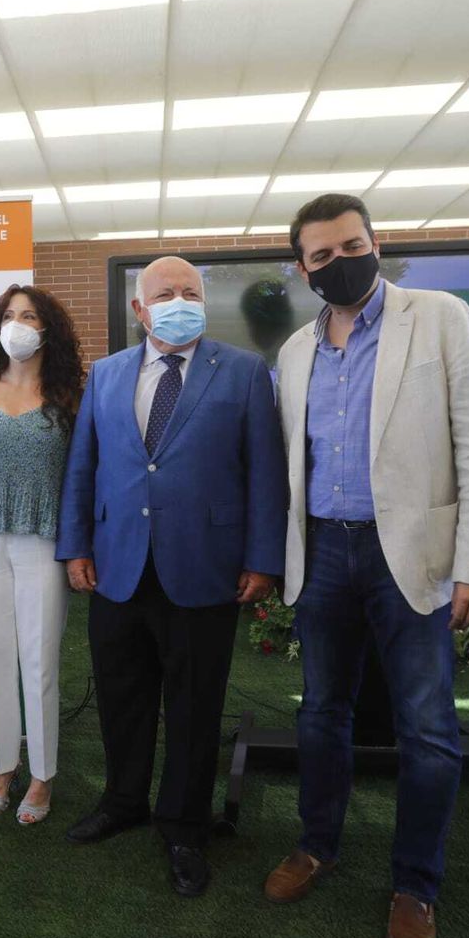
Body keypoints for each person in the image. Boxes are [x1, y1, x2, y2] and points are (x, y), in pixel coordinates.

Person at [268, 194, 469, 938]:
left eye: (352, 245)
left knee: (429, 730)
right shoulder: (294, 353)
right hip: (324, 555)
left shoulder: (439, 317)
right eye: (323, 255)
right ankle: (318, 845)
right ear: (303, 269)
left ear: (375, 243)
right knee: (321, 715)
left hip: (410, 553)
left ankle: (416, 885)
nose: (341, 262)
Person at [55, 257, 286, 896]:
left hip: (205, 568)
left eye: (190, 292)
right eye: (165, 293)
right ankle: (123, 799)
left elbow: (265, 473)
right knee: (121, 695)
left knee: (193, 705)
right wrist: (75, 546)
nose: (178, 301)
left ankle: (184, 824)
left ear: (204, 304)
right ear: (139, 309)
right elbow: (84, 468)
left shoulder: (243, 373)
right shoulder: (104, 376)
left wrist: (263, 558)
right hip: (117, 566)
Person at [0, 285, 85, 825]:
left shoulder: (70, 397)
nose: (17, 324)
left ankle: (43, 776)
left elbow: (82, 477)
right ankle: (2, 767)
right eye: (8, 315)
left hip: (43, 542)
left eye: (28, 315)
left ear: (47, 327)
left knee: (40, 663)